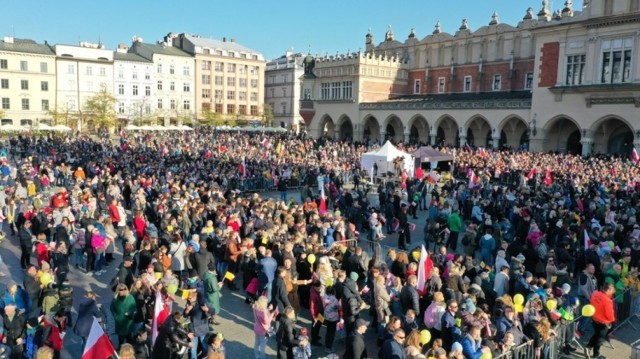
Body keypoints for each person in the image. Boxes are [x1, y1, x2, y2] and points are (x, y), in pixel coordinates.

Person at [587, 282, 616, 359]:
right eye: (612, 290)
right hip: (603, 322)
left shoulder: (595, 294)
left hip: (594, 319)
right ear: (608, 290)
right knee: (600, 339)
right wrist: (612, 321)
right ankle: (596, 355)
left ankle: (588, 347)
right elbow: (609, 315)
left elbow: (592, 303)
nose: (613, 292)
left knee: (597, 335)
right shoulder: (607, 301)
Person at [110, 284, 137, 348]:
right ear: (118, 291)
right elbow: (112, 308)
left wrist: (129, 313)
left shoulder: (130, 297)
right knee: (121, 341)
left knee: (129, 340)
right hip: (120, 324)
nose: (123, 291)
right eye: (121, 290)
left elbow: (134, 307)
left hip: (128, 322)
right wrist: (115, 317)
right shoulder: (115, 299)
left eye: (125, 289)